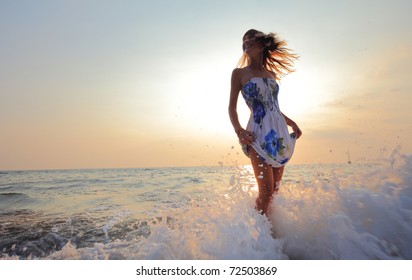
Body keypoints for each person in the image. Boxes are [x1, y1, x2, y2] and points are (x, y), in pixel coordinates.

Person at [228, 29, 302, 215]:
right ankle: (254, 233)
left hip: (279, 135)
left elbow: (273, 107)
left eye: (250, 41)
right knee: (266, 192)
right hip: (257, 133)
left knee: (274, 193)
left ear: (261, 46)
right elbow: (232, 108)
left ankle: (270, 234)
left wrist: (291, 122)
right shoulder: (239, 73)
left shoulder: (271, 75)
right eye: (243, 42)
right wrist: (239, 131)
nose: (245, 44)